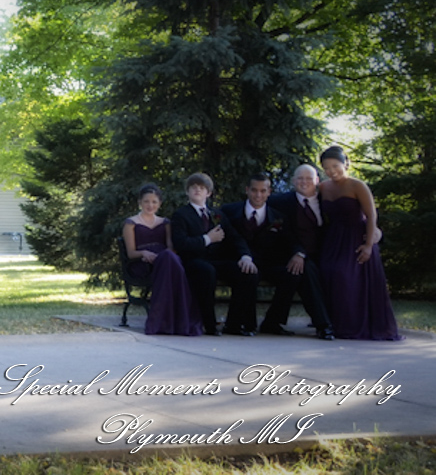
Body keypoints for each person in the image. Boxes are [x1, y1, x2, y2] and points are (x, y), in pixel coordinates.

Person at [224, 173, 334, 340]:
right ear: (247, 190)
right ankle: (242, 323)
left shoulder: (278, 217)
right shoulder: (229, 211)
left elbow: (292, 240)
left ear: (269, 192)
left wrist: (299, 254)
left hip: (269, 263)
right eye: (254, 190)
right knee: (248, 274)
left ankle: (275, 322)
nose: (258, 195)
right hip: (241, 262)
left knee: (296, 272)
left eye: (263, 191)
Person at [317, 146, 402, 341]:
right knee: (327, 271)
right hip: (334, 239)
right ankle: (333, 324)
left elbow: (371, 215)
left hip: (357, 238)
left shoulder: (357, 186)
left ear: (346, 163)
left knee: (345, 276)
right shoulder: (323, 187)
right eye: (326, 168)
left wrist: (369, 245)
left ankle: (353, 326)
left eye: (335, 166)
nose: (331, 171)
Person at [170, 172, 260, 336]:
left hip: (216, 261)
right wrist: (207, 239)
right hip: (193, 261)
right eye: (193, 187)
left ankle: (233, 324)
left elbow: (235, 237)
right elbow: (181, 243)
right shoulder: (181, 215)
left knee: (247, 273)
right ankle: (209, 324)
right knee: (207, 272)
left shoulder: (216, 214)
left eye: (202, 187)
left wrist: (245, 256)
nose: (197, 190)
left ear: (208, 193)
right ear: (187, 192)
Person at [123, 184, 200, 336]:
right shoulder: (130, 223)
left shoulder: (165, 223)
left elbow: (171, 247)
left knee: (169, 257)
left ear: (159, 204)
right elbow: (131, 253)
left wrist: (162, 256)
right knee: (170, 261)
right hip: (142, 263)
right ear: (140, 202)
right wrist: (144, 253)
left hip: (163, 260)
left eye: (154, 202)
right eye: (146, 201)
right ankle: (171, 323)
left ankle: (173, 322)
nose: (150, 205)